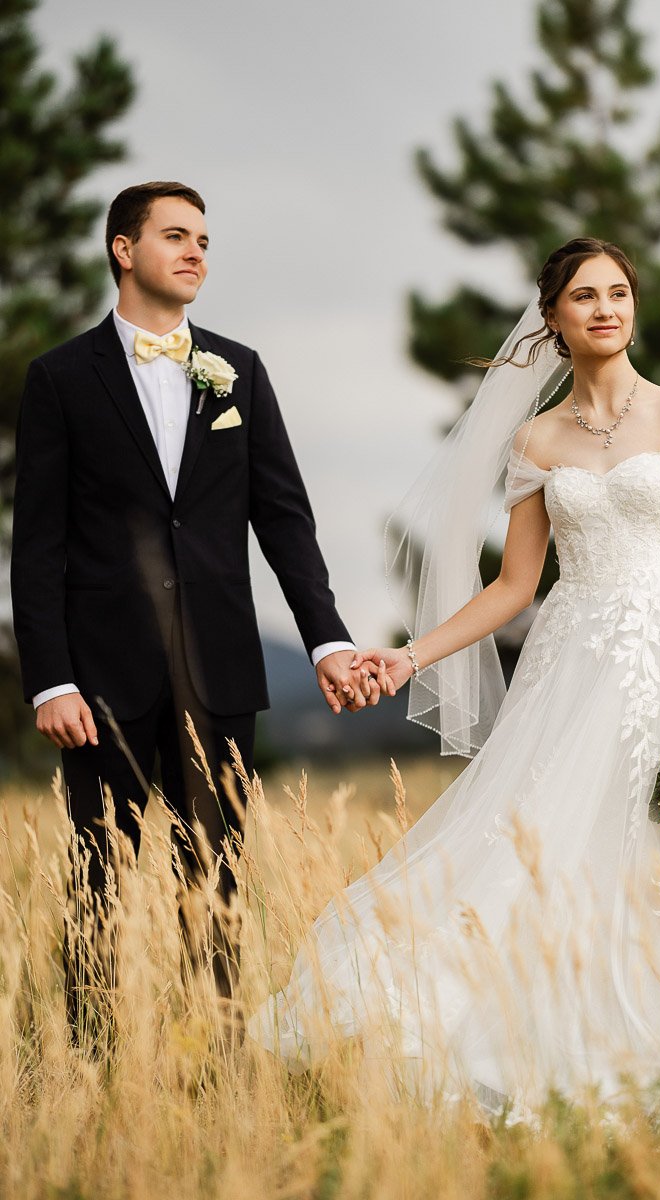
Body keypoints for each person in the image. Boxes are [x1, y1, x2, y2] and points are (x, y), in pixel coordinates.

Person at [248, 238, 660, 1140]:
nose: (605, 309)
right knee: (549, 842)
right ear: (552, 318)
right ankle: (542, 1041)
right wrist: (411, 656)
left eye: (618, 293)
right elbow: (512, 587)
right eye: (584, 296)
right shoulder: (536, 440)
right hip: (569, 660)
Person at [10, 180, 389, 1046]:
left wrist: (327, 640)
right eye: (176, 236)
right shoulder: (61, 378)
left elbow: (284, 520)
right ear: (123, 249)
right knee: (97, 881)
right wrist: (50, 680)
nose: (195, 254)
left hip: (220, 671)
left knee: (216, 883)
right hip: (100, 683)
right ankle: (93, 1064)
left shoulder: (238, 369)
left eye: (205, 241)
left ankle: (217, 1058)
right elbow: (36, 545)